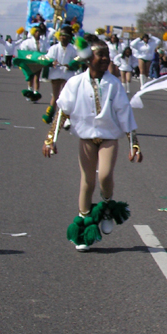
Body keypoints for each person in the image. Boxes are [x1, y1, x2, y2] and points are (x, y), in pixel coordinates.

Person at [42, 35, 142, 252]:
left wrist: (133, 143)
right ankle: (84, 225)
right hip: (86, 138)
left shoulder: (114, 84)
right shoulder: (75, 83)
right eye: (101, 55)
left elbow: (125, 114)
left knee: (104, 175)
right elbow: (63, 112)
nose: (106, 58)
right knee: (87, 182)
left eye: (107, 54)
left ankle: (106, 206)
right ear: (89, 59)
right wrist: (51, 139)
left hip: (108, 137)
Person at [43, 25, 78, 124]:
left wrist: (70, 65)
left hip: (67, 75)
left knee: (66, 97)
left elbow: (76, 61)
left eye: (65, 35)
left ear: (69, 37)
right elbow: (48, 58)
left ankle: (66, 118)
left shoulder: (73, 49)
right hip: (56, 73)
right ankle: (50, 115)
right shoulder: (54, 48)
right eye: (61, 35)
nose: (63, 37)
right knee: (55, 96)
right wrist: (52, 61)